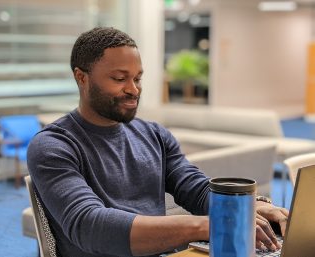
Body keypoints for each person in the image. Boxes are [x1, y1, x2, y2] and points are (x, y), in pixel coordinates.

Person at [27, 27, 289, 257]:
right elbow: (90, 225)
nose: (134, 89)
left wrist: (250, 207)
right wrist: (212, 224)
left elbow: (194, 189)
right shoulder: (53, 146)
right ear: (82, 78)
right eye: (119, 79)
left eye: (138, 78)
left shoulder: (154, 135)